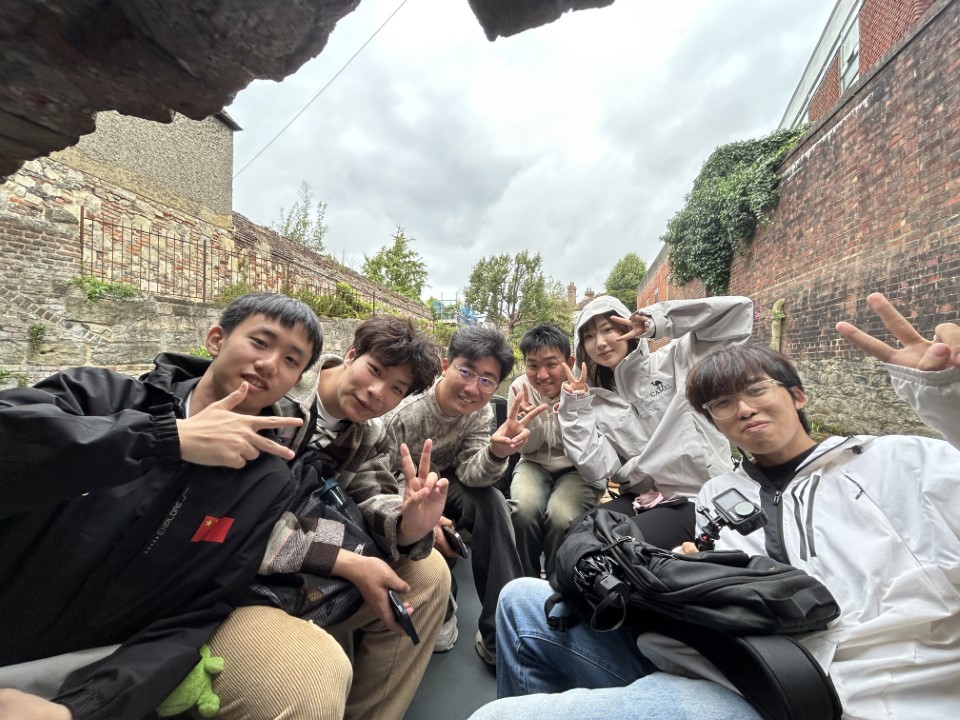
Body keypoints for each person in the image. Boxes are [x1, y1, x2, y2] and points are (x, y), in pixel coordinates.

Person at [469, 292, 960, 720]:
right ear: (711, 416)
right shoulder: (724, 497)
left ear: (798, 396)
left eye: (756, 391)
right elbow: (602, 473)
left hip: (839, 690)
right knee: (530, 588)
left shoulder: (896, 461)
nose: (743, 409)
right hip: (729, 663)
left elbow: (738, 313)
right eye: (723, 403)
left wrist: (947, 398)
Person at [0, 292, 322, 720]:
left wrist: (78, 708)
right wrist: (166, 438)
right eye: (260, 342)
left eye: (291, 360)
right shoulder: (100, 396)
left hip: (73, 679)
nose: (269, 363)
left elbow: (201, 611)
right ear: (216, 340)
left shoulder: (268, 482)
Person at [205, 314, 451, 720]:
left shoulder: (368, 432)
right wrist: (346, 561)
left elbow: (371, 494)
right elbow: (234, 520)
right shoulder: (275, 397)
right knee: (314, 678)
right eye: (375, 370)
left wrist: (409, 522)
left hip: (305, 547)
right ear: (351, 354)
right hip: (234, 567)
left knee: (428, 573)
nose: (377, 393)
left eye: (396, 388)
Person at [384, 324, 546, 666]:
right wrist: (419, 513)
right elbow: (376, 480)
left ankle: (502, 629)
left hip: (451, 484)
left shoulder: (480, 411)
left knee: (493, 502)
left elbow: (472, 474)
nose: (474, 388)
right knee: (417, 525)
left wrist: (496, 453)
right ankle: (443, 605)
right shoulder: (405, 412)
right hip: (401, 492)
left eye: (487, 379)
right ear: (446, 366)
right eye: (467, 371)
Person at [559, 294, 753, 549]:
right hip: (643, 497)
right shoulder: (593, 400)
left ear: (626, 327)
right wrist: (576, 407)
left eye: (608, 329)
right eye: (589, 336)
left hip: (697, 495)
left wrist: (656, 321)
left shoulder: (676, 360)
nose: (601, 343)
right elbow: (594, 468)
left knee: (611, 548)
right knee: (576, 532)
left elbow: (738, 313)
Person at [508, 323, 602, 579]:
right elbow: (526, 448)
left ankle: (557, 582)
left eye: (551, 364)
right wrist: (532, 422)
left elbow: (590, 448)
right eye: (532, 365)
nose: (542, 375)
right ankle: (525, 581)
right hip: (534, 462)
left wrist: (576, 407)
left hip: (579, 468)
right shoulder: (519, 389)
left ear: (569, 362)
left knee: (562, 517)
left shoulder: (585, 386)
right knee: (523, 512)